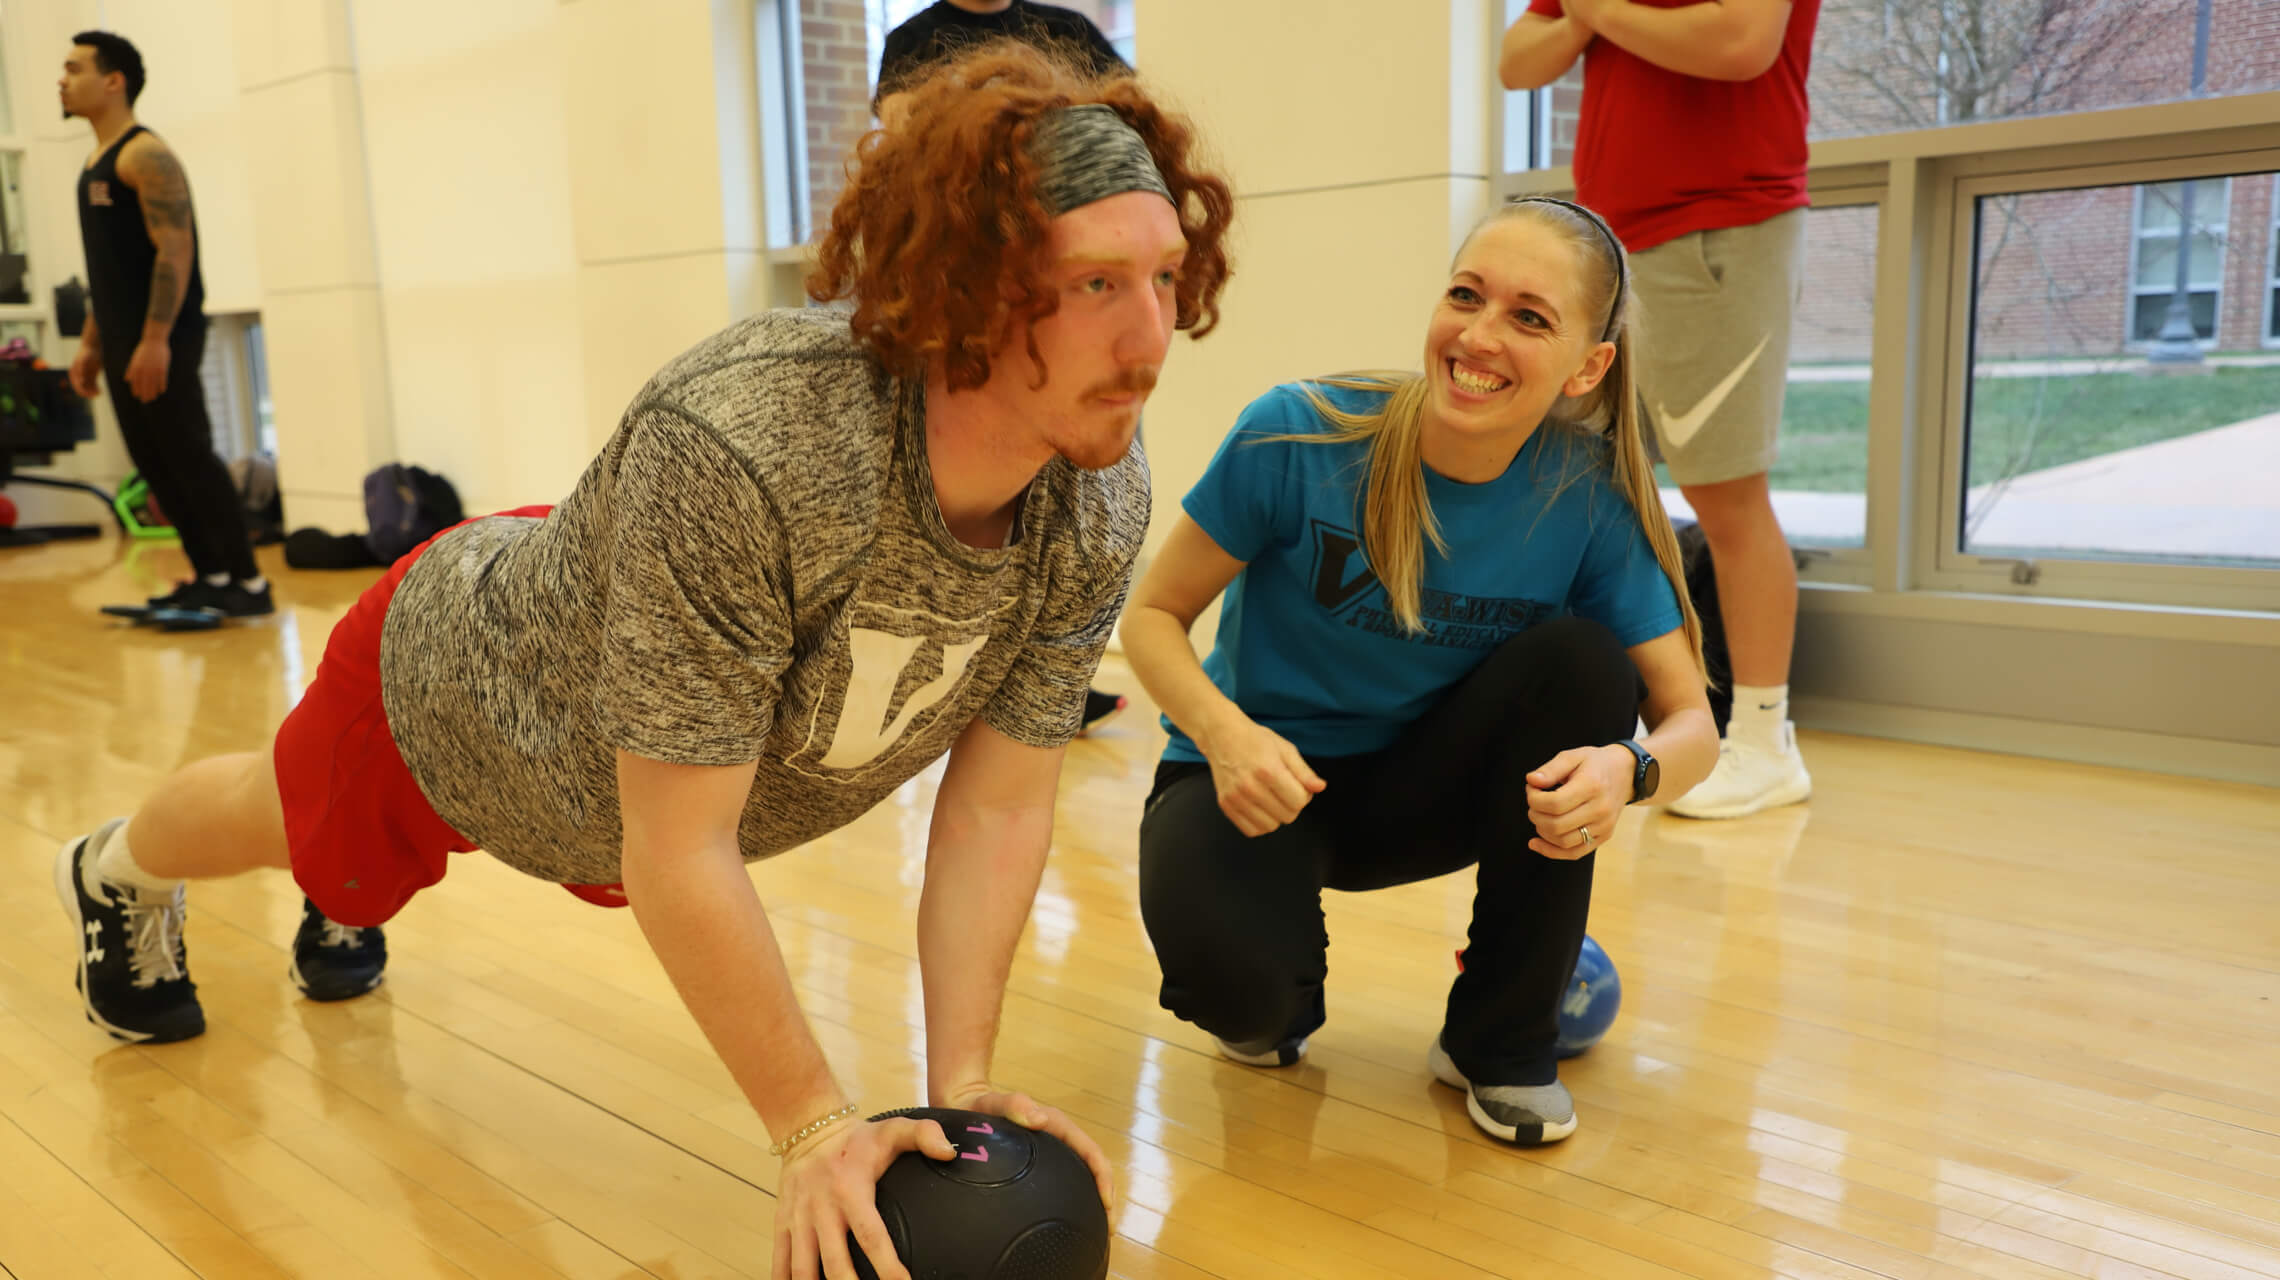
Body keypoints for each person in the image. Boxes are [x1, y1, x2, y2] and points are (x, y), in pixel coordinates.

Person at [53, 45, 1233, 1280]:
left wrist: (966, 1088)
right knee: (281, 819)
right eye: (1098, 281)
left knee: (551, 837)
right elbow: (678, 847)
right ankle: (115, 869)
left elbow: (996, 803)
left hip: (640, 777)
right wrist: (819, 1127)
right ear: (974, 282)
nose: (1153, 336)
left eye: (1164, 277)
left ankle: (329, 896)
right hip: (468, 701)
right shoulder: (749, 443)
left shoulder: (1093, 497)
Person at [1120, 197, 1717, 1146]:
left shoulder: (1588, 496)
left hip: (1429, 789)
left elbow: (1693, 724)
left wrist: (1627, 773)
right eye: (1465, 296)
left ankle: (1500, 1040)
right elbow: (1152, 617)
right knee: (1245, 1012)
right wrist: (1225, 737)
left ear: (1587, 366)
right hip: (1256, 780)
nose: (1478, 337)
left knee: (1581, 666)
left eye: (1529, 317)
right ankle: (1275, 990)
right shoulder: (1300, 432)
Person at [1501, 0, 1821, 818]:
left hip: (1721, 225)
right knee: (1580, 482)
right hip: (1611, 236)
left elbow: (1743, 42)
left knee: (1726, 494)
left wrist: (1595, 10)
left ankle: (1762, 741)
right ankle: (1600, 719)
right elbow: (1519, 60)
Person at [878, 7, 1136, 737]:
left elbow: (1122, 128)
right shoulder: (912, 42)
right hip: (963, 300)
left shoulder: (1067, 30)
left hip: (1058, 313)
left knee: (1065, 510)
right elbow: (909, 151)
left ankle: (1048, 681)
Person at [62, 31, 270, 620]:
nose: (62, 78)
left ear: (113, 81)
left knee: (190, 457)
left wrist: (155, 340)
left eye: (74, 68)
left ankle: (250, 584)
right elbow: (111, 272)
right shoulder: (94, 163)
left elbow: (173, 251)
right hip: (127, 341)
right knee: (155, 465)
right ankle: (212, 575)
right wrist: (90, 347)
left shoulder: (143, 155)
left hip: (163, 340)